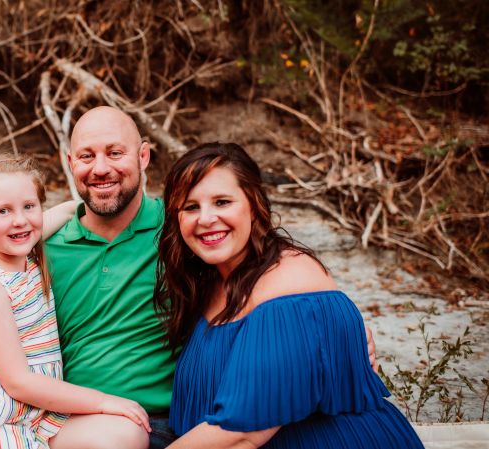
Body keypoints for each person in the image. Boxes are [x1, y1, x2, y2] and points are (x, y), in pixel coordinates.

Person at [0, 106, 378, 449]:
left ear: (143, 156)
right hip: (67, 425)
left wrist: (337, 330)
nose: (101, 168)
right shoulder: (38, 246)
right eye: (87, 156)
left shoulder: (183, 232)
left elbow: (264, 275)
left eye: (115, 153)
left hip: (169, 425)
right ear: (71, 163)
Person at [154, 142, 423, 448]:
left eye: (222, 202)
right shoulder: (209, 281)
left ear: (254, 205)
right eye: (191, 207)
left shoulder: (291, 283)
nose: (205, 218)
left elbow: (241, 434)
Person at [0, 153, 150, 449]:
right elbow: (18, 382)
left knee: (128, 433)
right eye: (3, 211)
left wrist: (99, 203)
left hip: (37, 415)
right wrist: (103, 401)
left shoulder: (26, 252)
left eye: (29, 206)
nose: (20, 220)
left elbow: (65, 212)